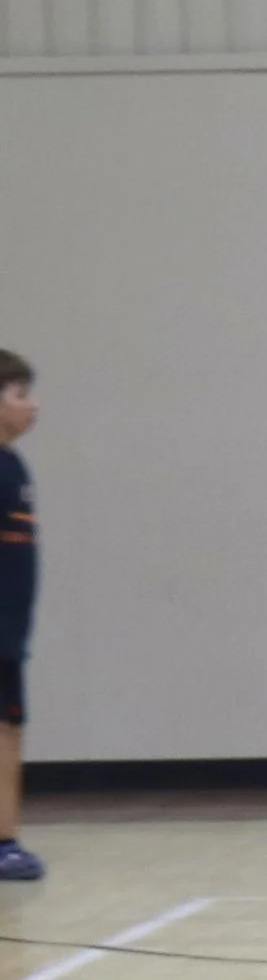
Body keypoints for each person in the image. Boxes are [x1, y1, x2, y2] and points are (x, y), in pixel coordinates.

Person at [0, 351, 42, 883]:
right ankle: (4, 842)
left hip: (10, 633)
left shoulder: (13, 466)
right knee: (5, 733)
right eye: (18, 394)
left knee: (9, 729)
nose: (33, 405)